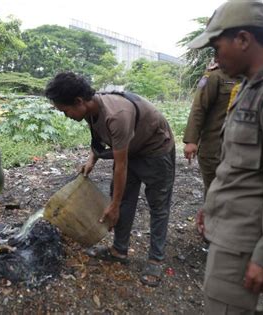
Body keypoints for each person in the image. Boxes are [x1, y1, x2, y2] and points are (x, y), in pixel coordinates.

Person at [188, 1, 263, 313]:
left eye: (217, 46)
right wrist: (210, 208)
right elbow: (236, 166)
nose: (215, 56)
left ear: (243, 40)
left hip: (243, 241)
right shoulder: (249, 87)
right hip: (226, 229)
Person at [45, 72, 175, 287]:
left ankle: (155, 259)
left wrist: (113, 205)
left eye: (65, 110)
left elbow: (121, 166)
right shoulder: (90, 108)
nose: (66, 115)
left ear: (79, 101)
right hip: (130, 148)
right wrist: (92, 159)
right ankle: (119, 250)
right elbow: (99, 136)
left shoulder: (117, 115)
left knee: (158, 206)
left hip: (155, 151)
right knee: (123, 199)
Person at [183, 61, 240, 197]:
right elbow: (199, 108)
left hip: (239, 148)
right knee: (215, 194)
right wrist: (191, 141)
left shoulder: (251, 77)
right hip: (214, 147)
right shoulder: (215, 76)